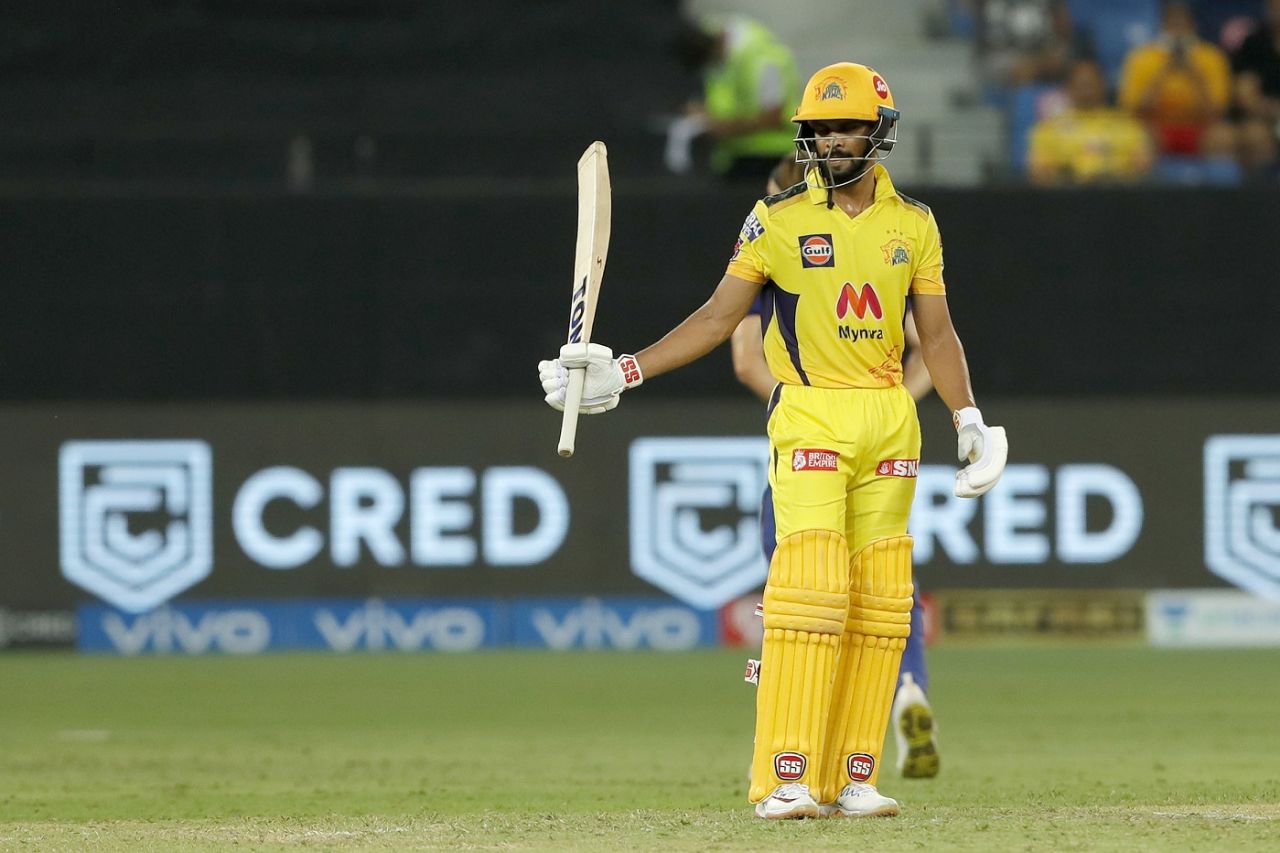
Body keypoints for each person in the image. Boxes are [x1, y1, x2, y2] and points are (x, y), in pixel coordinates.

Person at [540, 62, 1007, 819]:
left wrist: (969, 419)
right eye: (819, 129)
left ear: (879, 133)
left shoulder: (915, 224)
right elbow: (717, 318)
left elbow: (938, 333)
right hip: (811, 413)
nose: (831, 140)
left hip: (891, 418)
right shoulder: (775, 219)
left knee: (880, 604)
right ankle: (784, 776)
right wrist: (625, 370)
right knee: (808, 594)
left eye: (846, 127)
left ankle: (853, 776)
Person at [733, 157, 940, 781]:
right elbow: (929, 344)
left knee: (800, 594)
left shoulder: (774, 247)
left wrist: (804, 400)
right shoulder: (876, 249)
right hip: (882, 434)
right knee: (884, 591)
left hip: (811, 440)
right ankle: (907, 691)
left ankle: (799, 748)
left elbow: (745, 359)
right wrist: (891, 396)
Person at [666, 16, 800, 180]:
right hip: (736, 159)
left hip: (771, 159)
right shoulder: (725, 59)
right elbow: (730, 106)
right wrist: (704, 115)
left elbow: (772, 118)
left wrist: (717, 126)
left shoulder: (763, 59)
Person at [1118, 1, 1232, 156]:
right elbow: (1135, 109)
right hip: (1155, 127)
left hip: (1200, 127)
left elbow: (1216, 111)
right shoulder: (1141, 58)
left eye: (1182, 25)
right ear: (1162, 26)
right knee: (1139, 140)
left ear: (1192, 26)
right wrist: (1164, 71)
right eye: (1172, 25)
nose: (1177, 32)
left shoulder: (1211, 57)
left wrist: (1193, 73)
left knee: (1223, 137)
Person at [1028, 58, 1154, 185]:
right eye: (1081, 83)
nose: (1086, 89)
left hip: (1118, 192)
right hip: (1067, 193)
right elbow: (1039, 172)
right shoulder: (1049, 129)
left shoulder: (1127, 125)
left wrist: (1114, 180)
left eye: (1090, 83)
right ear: (1068, 88)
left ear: (1103, 85)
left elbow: (1143, 167)